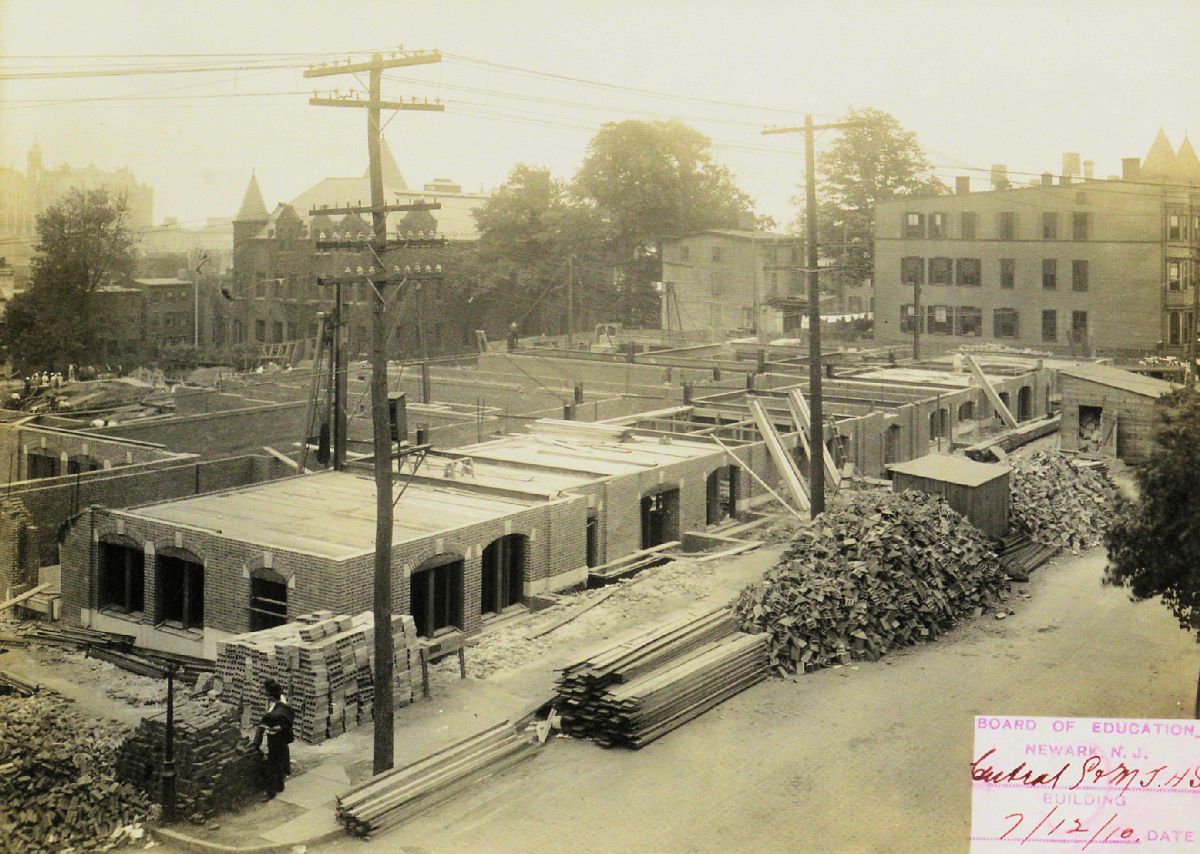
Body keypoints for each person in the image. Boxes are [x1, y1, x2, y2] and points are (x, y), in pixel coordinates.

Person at [251, 679, 294, 800]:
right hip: (280, 738)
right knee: (279, 762)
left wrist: (270, 727)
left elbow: (274, 724)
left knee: (271, 764)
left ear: (270, 695)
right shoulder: (283, 708)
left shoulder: (276, 711)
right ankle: (280, 786)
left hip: (275, 739)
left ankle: (271, 792)